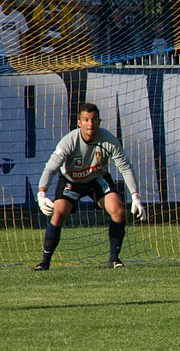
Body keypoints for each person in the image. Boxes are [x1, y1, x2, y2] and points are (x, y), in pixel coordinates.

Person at [33, 102, 147, 270]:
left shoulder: (109, 140)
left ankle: (114, 259)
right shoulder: (69, 141)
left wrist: (136, 197)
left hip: (97, 180)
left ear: (99, 121)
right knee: (58, 213)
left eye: (93, 120)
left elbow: (125, 167)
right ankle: (44, 262)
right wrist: (41, 194)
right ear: (79, 122)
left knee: (118, 210)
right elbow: (51, 167)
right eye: (86, 120)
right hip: (71, 181)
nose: (90, 124)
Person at [0, 0, 28, 64]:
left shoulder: (19, 15)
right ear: (1, 3)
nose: (7, 5)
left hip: (16, 53)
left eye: (9, 3)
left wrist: (24, 52)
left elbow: (23, 35)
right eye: (5, 3)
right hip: (0, 53)